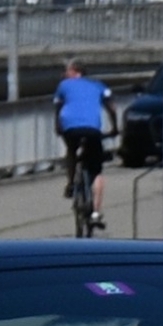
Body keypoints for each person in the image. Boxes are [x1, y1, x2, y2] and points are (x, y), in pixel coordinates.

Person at [52, 58, 117, 232]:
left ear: (76, 72)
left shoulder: (64, 85)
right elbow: (111, 107)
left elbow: (58, 107)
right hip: (92, 129)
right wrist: (115, 128)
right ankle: (96, 213)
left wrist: (57, 125)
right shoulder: (98, 85)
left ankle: (71, 183)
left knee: (71, 151)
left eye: (68, 70)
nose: (65, 74)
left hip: (70, 128)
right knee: (96, 169)